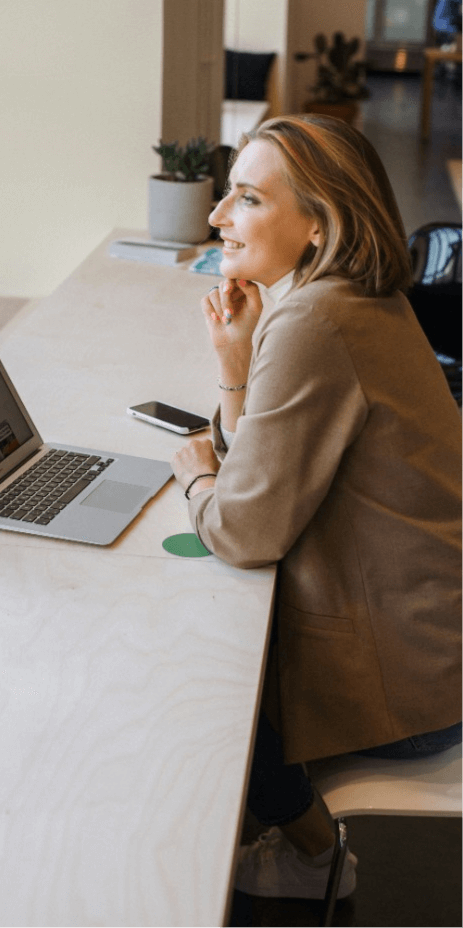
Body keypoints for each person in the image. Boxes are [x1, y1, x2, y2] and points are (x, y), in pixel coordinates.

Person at [171, 115, 462, 900]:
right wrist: (236, 367)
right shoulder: (343, 298)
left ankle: (311, 859)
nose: (216, 217)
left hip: (414, 688)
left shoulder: (315, 320)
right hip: (437, 644)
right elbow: (269, 477)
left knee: (199, 677)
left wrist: (195, 477)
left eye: (246, 198)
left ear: (318, 223)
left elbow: (242, 528)